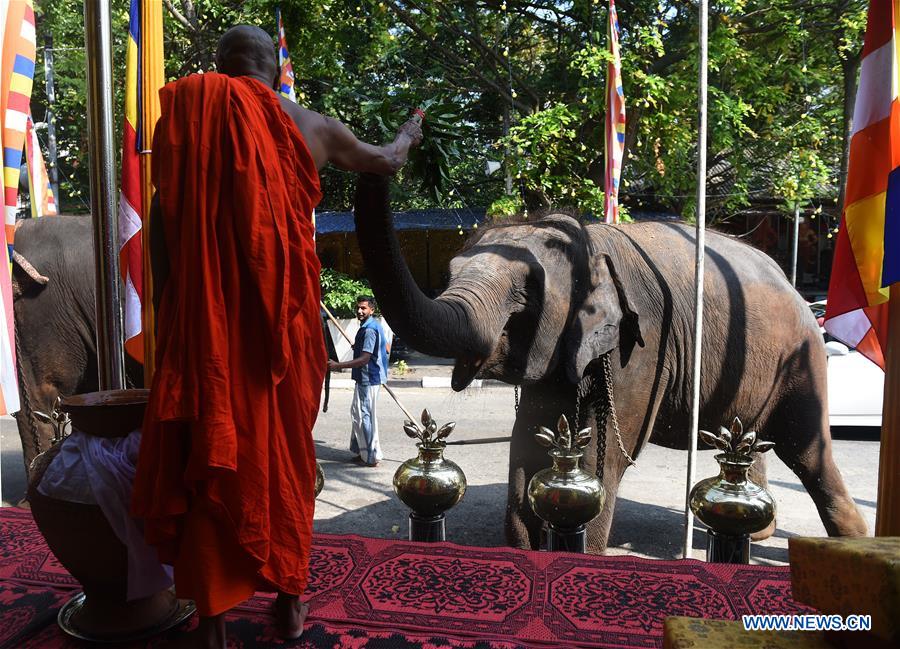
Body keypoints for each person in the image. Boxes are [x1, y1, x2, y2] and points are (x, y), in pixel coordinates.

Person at [131, 25, 421, 649]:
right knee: (286, 460)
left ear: (222, 66)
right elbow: (386, 160)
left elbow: (164, 230)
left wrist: (174, 322)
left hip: (208, 337)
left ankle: (213, 625)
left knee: (212, 455)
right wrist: (407, 134)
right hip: (283, 337)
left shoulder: (194, 113)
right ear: (275, 69)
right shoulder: (312, 126)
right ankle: (290, 604)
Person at [327, 296, 389, 466]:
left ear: (372, 310)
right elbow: (380, 349)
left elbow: (364, 359)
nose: (360, 311)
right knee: (357, 413)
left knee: (364, 416)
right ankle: (361, 452)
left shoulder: (369, 330)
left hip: (368, 379)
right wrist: (360, 347)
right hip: (366, 378)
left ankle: (371, 457)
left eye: (364, 308)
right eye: (358, 308)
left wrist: (337, 365)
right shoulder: (369, 326)